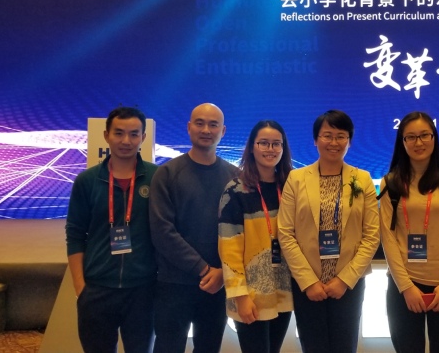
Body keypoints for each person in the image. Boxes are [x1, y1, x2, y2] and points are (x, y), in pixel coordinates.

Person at [277, 110, 380, 353]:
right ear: (315, 140)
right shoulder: (296, 178)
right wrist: (308, 281)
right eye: (327, 135)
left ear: (349, 141)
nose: (334, 142)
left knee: (345, 346)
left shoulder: (363, 178)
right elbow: (286, 232)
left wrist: (344, 280)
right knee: (313, 346)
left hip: (348, 284)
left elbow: (372, 235)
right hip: (308, 283)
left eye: (341, 136)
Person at [65, 106, 157, 353]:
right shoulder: (86, 181)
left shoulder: (157, 178)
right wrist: (81, 288)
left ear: (143, 137)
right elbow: (75, 235)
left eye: (134, 134)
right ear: (106, 135)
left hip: (142, 290)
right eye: (119, 133)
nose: (126, 141)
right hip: (97, 290)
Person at [149, 103, 239, 353]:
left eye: (213, 124)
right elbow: (162, 231)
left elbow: (240, 234)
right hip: (173, 284)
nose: (206, 130)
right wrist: (203, 268)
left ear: (223, 131)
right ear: (189, 127)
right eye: (200, 123)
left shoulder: (235, 177)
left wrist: (222, 273)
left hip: (217, 285)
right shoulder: (167, 173)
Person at [379, 112, 439, 353]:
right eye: (411, 137)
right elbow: (388, 238)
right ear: (402, 142)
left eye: (424, 135)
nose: (418, 142)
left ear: (434, 138)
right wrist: (406, 287)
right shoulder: (390, 182)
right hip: (404, 286)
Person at [218, 120, 294, 353]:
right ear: (252, 147)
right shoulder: (236, 189)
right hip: (251, 294)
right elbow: (229, 247)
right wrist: (240, 296)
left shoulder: (291, 186)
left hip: (285, 289)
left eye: (276, 144)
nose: (270, 149)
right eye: (263, 143)